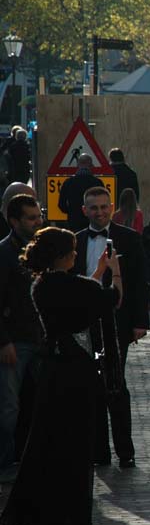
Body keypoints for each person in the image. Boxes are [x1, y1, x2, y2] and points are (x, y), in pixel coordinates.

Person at [0, 226, 121, 525]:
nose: (76, 254)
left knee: (47, 436)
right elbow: (109, 299)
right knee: (78, 440)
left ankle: (40, 505)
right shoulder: (80, 288)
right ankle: (73, 508)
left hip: (52, 367)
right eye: (73, 251)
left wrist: (96, 272)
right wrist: (114, 272)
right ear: (64, 255)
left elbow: (78, 296)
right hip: (77, 369)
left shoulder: (40, 286)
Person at [73, 186, 150, 469]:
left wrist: (141, 322)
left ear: (112, 207)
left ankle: (125, 450)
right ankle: (99, 452)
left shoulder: (129, 239)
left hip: (118, 321)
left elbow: (140, 281)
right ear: (85, 211)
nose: (100, 212)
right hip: (85, 322)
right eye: (94, 208)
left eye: (104, 207)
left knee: (116, 383)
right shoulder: (76, 240)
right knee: (92, 387)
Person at [0, 195, 43, 484]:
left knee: (39, 403)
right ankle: (5, 463)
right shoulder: (3, 254)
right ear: (14, 221)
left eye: (38, 215)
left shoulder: (44, 248)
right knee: (8, 407)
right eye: (31, 217)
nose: (37, 221)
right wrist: (4, 341)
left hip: (42, 338)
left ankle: (36, 460)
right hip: (15, 340)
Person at [58, 153, 103, 231]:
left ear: (77, 165)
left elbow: (61, 204)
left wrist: (71, 212)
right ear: (91, 165)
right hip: (93, 221)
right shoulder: (97, 183)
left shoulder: (68, 182)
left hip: (74, 222)